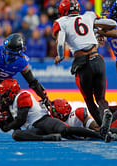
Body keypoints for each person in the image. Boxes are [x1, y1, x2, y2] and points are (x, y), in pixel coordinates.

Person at [52, 0, 117, 128]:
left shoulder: (61, 22)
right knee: (101, 99)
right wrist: (98, 30)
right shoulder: (88, 16)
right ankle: (106, 113)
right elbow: (112, 23)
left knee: (89, 101)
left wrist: (60, 56)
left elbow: (60, 42)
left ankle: (101, 127)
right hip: (97, 58)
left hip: (82, 63)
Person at [0, 78, 113, 142]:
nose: (4, 99)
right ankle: (48, 138)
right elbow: (16, 126)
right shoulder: (12, 104)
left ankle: (100, 135)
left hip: (43, 121)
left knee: (66, 131)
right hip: (35, 128)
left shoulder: (22, 96)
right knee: (16, 135)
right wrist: (3, 122)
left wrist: (7, 126)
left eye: (5, 95)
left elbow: (20, 120)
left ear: (12, 91)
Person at [49, 98, 117, 139]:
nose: (53, 113)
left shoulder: (77, 114)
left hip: (99, 133)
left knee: (101, 128)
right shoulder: (57, 122)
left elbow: (97, 127)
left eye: (54, 111)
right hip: (93, 136)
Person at [98, 0, 117, 73]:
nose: (104, 13)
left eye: (107, 11)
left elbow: (115, 33)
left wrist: (99, 32)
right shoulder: (106, 26)